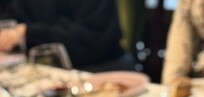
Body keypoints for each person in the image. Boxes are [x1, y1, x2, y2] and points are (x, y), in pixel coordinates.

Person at [0, 0, 136, 72]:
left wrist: (28, 32)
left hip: (101, 67)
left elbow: (91, 40)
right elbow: (9, 19)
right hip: (44, 71)